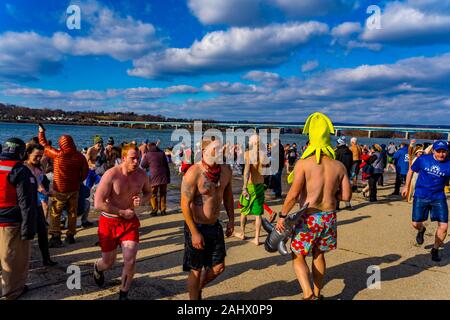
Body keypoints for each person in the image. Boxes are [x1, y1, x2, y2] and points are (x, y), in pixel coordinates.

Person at [276, 112, 351, 300]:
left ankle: (308, 293)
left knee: (298, 254)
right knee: (318, 254)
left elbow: (293, 195)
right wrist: (331, 194)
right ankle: (318, 293)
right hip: (328, 216)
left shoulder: (304, 164)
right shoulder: (339, 166)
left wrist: (283, 215)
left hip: (308, 217)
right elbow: (347, 196)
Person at [93, 144, 152, 300]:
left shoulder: (142, 175)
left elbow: (148, 193)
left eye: (138, 158)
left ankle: (123, 294)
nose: (136, 161)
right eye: (133, 158)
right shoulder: (111, 174)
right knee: (108, 263)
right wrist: (121, 212)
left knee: (130, 259)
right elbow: (98, 203)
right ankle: (97, 267)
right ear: (124, 158)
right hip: (109, 221)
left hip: (129, 222)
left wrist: (142, 200)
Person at [180, 138, 234, 300]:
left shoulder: (226, 170)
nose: (219, 153)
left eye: (220, 149)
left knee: (219, 267)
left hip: (214, 226)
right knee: (195, 270)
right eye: (214, 150)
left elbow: (228, 195)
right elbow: (184, 205)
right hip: (196, 226)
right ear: (204, 152)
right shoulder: (193, 173)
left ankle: (198, 288)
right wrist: (194, 232)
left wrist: (231, 219)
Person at [38, 124, 89, 247]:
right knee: (72, 213)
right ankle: (70, 235)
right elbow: (85, 172)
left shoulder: (57, 154)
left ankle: (56, 236)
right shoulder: (80, 156)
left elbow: (44, 145)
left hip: (59, 189)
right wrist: (77, 181)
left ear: (61, 144)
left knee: (56, 213)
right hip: (74, 189)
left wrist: (41, 132)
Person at [0, 138, 38, 300]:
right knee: (14, 259)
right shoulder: (20, 171)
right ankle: (11, 291)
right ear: (21, 153)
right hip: (11, 221)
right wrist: (29, 229)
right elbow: (26, 202)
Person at [402, 141, 450, 262]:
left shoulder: (449, 164)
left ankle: (435, 250)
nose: (441, 154)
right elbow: (411, 171)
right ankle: (422, 230)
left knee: (444, 226)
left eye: (444, 151)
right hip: (421, 195)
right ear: (433, 151)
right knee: (415, 223)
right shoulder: (423, 159)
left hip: (438, 197)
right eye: (438, 151)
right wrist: (406, 187)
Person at [24, 143, 57, 266]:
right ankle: (25, 261)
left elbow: (38, 184)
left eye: (41, 156)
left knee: (43, 230)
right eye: (36, 156)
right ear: (28, 154)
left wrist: (46, 192)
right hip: (26, 205)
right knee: (27, 234)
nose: (39, 159)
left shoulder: (38, 168)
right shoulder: (23, 167)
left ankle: (46, 259)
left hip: (36, 203)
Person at [234, 134, 269, 246]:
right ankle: (257, 239)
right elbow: (267, 171)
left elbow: (246, 171)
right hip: (260, 185)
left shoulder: (248, 154)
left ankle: (242, 233)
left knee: (244, 210)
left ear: (252, 143)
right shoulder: (264, 155)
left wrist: (244, 187)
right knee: (258, 214)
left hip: (250, 185)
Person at [140, 142, 171, 216]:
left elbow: (143, 165)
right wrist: (168, 177)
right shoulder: (162, 153)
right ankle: (163, 210)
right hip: (164, 176)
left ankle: (154, 210)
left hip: (154, 177)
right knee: (163, 194)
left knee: (153, 194)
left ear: (149, 147)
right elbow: (166, 165)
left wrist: (144, 157)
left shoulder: (148, 154)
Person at [335, 136, 353, 209]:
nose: (336, 144)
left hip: (338, 172)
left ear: (339, 143)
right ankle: (348, 205)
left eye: (337, 143)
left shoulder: (337, 151)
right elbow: (351, 162)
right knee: (345, 188)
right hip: (347, 171)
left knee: (336, 188)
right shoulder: (349, 151)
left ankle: (336, 205)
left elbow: (335, 162)